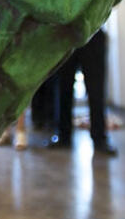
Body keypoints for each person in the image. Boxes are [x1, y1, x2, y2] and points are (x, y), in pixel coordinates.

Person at [49, 27, 117, 156]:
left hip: (93, 33)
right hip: (66, 36)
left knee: (96, 90)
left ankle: (99, 138)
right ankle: (63, 135)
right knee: (63, 88)